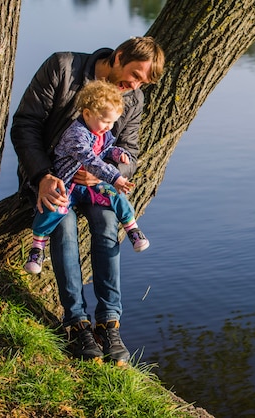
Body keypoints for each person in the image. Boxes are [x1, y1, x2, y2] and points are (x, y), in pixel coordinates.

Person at [10, 37, 165, 364]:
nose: (135, 86)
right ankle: (76, 322)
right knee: (63, 227)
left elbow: (129, 153)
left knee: (108, 224)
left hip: (95, 185)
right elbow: (25, 125)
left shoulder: (133, 99)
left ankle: (109, 322)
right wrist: (41, 176)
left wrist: (105, 172)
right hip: (52, 180)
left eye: (142, 82)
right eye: (134, 75)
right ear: (118, 56)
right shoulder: (63, 67)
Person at [23, 79, 150, 277]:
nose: (109, 127)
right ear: (87, 114)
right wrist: (114, 176)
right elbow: (89, 158)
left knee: (116, 196)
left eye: (113, 123)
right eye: (106, 121)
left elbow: (105, 149)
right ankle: (37, 247)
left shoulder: (101, 131)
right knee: (53, 206)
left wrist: (117, 154)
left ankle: (132, 229)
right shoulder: (76, 134)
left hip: (90, 187)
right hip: (68, 184)